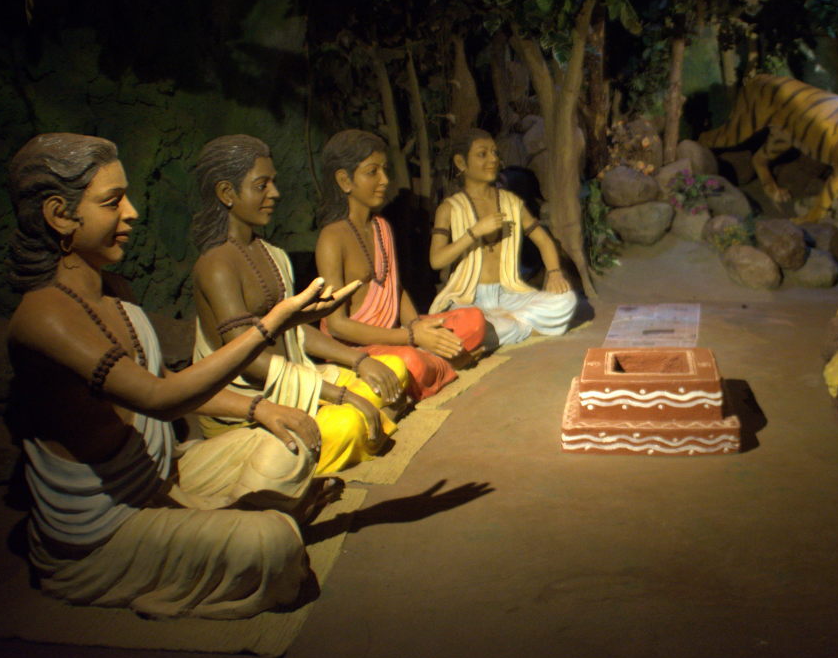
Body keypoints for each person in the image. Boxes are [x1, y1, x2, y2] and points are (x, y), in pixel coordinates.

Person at [6, 133, 359, 619]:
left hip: (162, 472)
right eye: (112, 201)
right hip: (107, 525)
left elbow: (164, 379)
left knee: (291, 441)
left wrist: (261, 408)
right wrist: (271, 326)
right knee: (274, 544)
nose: (131, 212)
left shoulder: (117, 291)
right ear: (59, 215)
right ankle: (239, 526)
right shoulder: (44, 315)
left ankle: (222, 521)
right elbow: (159, 398)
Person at [190, 135, 406, 474]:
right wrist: (340, 394)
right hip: (254, 403)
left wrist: (360, 359)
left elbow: (296, 333)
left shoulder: (272, 254)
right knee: (347, 424)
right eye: (262, 185)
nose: (275, 193)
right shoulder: (216, 265)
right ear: (227, 193)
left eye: (273, 183)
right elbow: (247, 359)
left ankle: (347, 427)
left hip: (295, 379)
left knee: (392, 369)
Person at [314, 129, 487, 401]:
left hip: (397, 334)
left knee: (473, 320)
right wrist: (411, 338)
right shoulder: (331, 238)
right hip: (359, 347)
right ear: (344, 180)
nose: (384, 180)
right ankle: (445, 363)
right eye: (372, 172)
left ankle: (433, 364)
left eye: (384, 170)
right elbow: (337, 325)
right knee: (411, 362)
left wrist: (419, 327)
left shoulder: (381, 226)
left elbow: (395, 287)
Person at [429, 129, 577, 347]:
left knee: (566, 300)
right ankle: (510, 327)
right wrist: (474, 232)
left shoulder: (510, 202)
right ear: (461, 163)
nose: (493, 159)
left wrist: (554, 273)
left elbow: (543, 240)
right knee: (468, 323)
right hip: (470, 298)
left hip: (508, 295)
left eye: (494, 153)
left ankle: (502, 327)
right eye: (482, 154)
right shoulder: (449, 208)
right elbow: (436, 261)